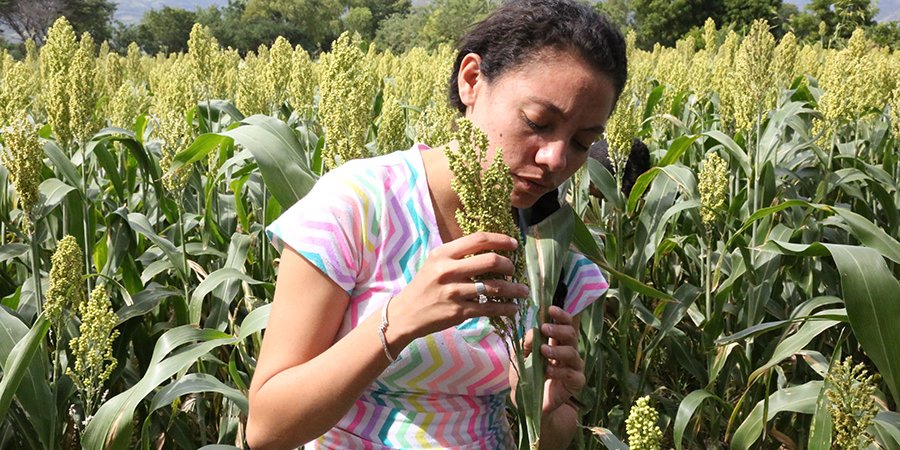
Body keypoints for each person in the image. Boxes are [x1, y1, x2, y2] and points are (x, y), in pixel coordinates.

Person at [246, 1, 627, 448]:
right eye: (537, 122)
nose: (555, 159)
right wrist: (400, 320)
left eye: (583, 142)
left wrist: (538, 406)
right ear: (471, 80)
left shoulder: (553, 247)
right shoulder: (359, 205)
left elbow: (554, 436)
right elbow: (267, 429)